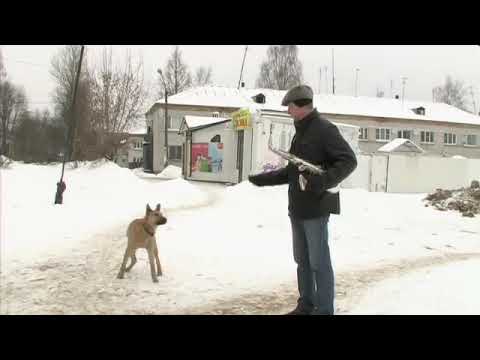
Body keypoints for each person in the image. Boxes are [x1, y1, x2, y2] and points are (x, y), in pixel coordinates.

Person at [248, 85, 357, 315]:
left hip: (316, 210)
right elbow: (292, 172)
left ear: (300, 106)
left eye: (289, 106)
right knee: (302, 261)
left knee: (319, 263)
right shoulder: (300, 132)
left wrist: (322, 181)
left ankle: (325, 310)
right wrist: (262, 180)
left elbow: (349, 161)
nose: (287, 111)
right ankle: (306, 305)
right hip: (297, 209)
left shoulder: (325, 130)